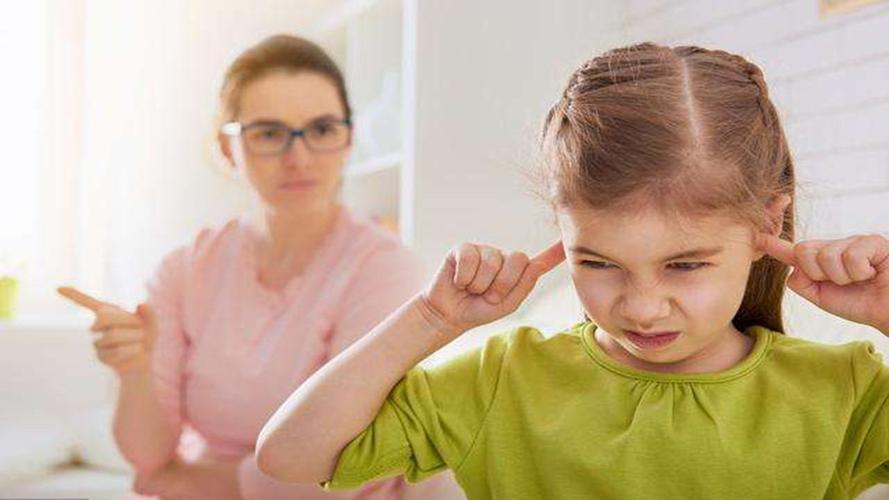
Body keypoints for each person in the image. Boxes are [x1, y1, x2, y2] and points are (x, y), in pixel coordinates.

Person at [254, 43, 889, 499]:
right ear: (560, 230)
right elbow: (290, 457)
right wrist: (430, 318)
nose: (641, 307)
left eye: (685, 264)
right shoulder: (500, 378)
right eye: (599, 262)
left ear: (766, 224)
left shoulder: (843, 390)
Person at [59, 34, 458, 500]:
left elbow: (354, 463)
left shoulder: (385, 270)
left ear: (348, 138)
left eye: (322, 129)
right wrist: (134, 370)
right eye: (269, 134)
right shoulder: (183, 271)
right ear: (227, 147)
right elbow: (148, 458)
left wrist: (199, 482)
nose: (299, 158)